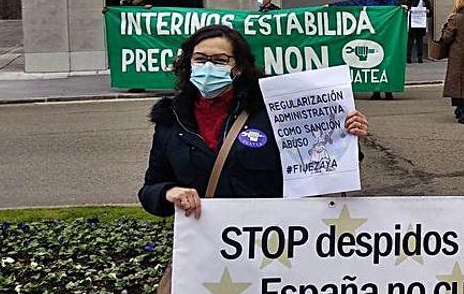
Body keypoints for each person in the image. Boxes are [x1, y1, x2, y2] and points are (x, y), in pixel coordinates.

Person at [139, 24, 369, 220]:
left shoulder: (273, 110)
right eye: (200, 59)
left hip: (269, 241)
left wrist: (345, 135)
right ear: (188, 63)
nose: (208, 67)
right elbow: (150, 189)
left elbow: (324, 165)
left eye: (220, 60)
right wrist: (169, 193)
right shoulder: (171, 119)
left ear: (237, 67)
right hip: (204, 248)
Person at [332, 0, 401, 100]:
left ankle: (388, 90)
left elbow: (399, 13)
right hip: (372, 36)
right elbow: (351, 4)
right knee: (373, 64)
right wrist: (332, 6)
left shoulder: (393, 2)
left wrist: (403, 9)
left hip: (388, 38)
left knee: (388, 63)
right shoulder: (367, 0)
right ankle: (376, 91)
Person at [406, 0, 431, 65]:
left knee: (420, 41)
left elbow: (430, 12)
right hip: (413, 23)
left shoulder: (426, 0)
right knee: (410, 41)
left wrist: (428, 11)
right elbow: (407, 7)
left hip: (421, 24)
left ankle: (420, 57)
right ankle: (408, 57)